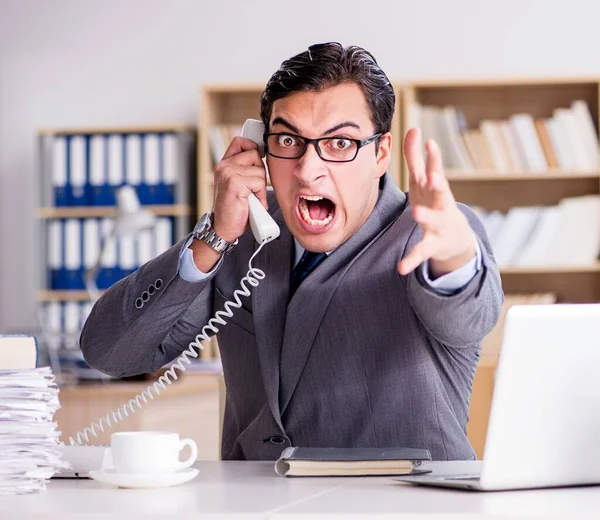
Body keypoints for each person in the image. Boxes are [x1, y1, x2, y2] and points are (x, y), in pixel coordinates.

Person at [80, 42, 503, 461]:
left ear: (381, 154)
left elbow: (469, 316)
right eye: (287, 140)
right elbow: (109, 352)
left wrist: (456, 260)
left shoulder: (430, 231)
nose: (306, 169)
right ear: (259, 151)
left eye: (340, 143)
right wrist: (215, 236)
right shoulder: (239, 242)